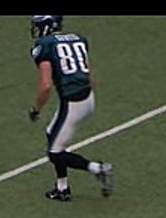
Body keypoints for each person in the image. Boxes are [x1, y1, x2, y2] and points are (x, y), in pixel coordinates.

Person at [28, 15, 113, 202]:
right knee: (51, 133)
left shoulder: (44, 46)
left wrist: (36, 109)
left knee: (55, 154)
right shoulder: (77, 38)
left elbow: (46, 86)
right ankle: (62, 188)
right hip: (87, 98)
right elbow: (89, 74)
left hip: (73, 103)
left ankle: (98, 169)